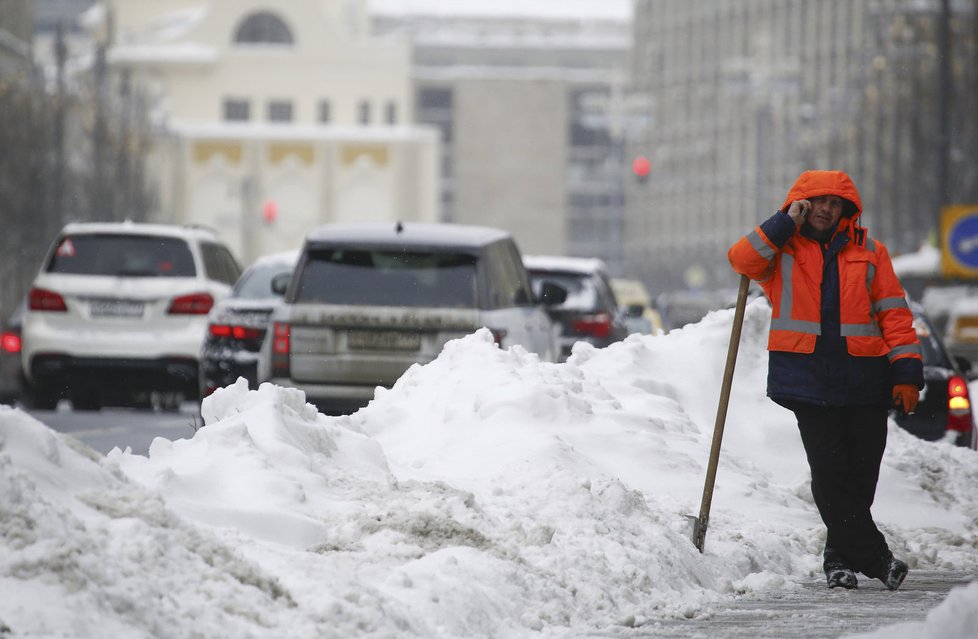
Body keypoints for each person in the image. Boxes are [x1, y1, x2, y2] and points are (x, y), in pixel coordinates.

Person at [728, 170, 923, 591]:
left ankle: (838, 559)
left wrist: (907, 371)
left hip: (866, 379)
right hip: (807, 381)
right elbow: (741, 259)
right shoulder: (782, 249)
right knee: (831, 473)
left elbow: (894, 314)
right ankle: (876, 558)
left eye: (834, 203)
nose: (825, 209)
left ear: (846, 211)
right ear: (802, 204)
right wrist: (784, 222)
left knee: (860, 476)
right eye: (816, 201)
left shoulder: (871, 252)